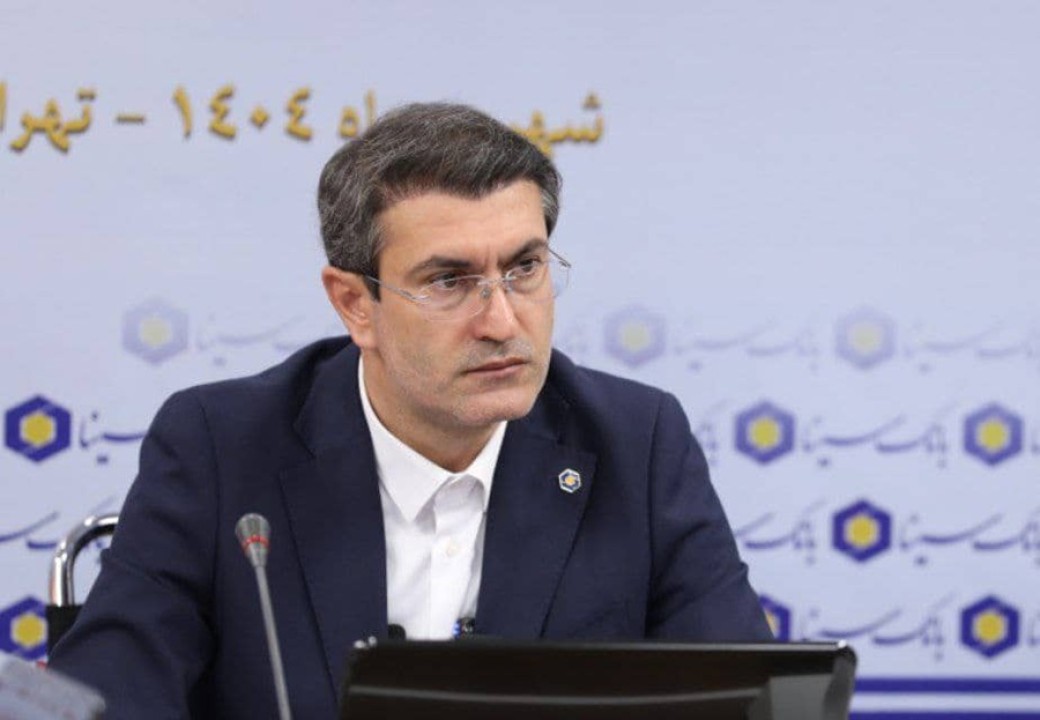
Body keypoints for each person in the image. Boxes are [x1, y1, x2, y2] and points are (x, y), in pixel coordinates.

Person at [49, 102, 772, 718]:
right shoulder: (221, 447)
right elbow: (107, 697)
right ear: (355, 304)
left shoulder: (636, 446)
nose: (501, 321)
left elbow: (747, 699)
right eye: (450, 281)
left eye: (524, 268)